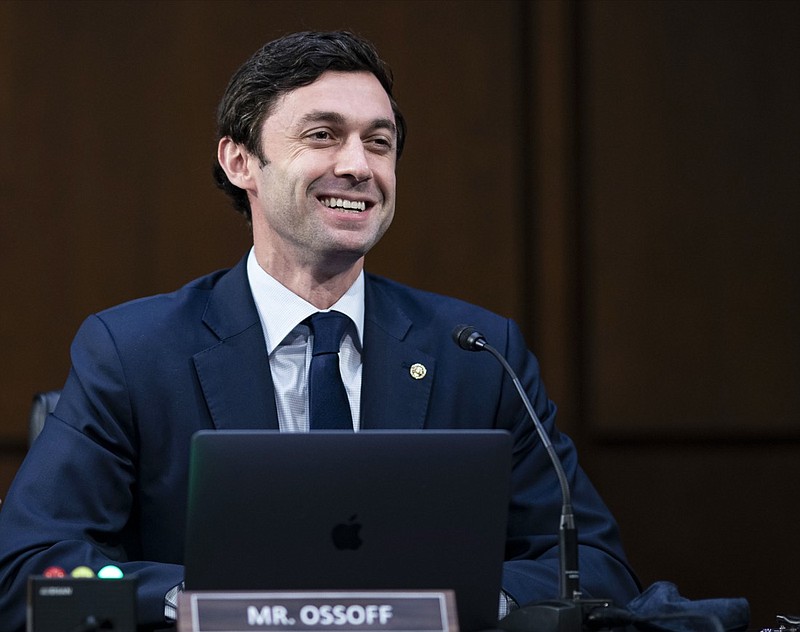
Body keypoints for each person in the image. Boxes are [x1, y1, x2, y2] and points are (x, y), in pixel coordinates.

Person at [0, 31, 640, 631]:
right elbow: (33, 569)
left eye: (380, 142)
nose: (359, 166)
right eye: (323, 136)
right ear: (240, 161)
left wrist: (457, 605)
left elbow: (596, 567)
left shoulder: (477, 353)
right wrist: (216, 604)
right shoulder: (134, 353)